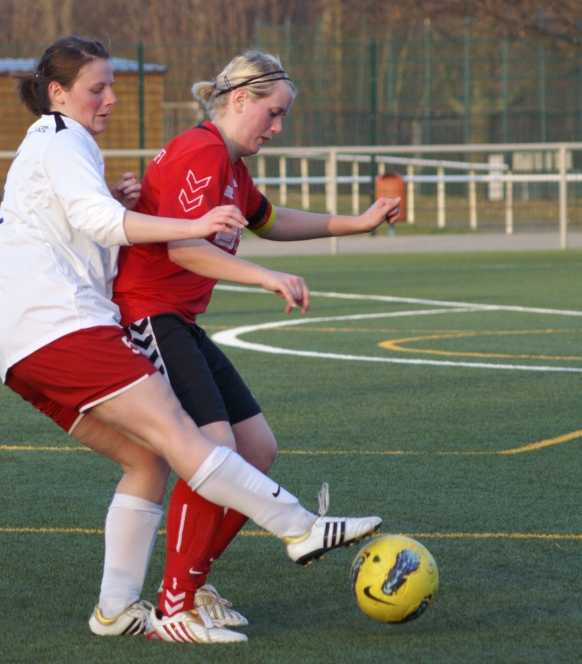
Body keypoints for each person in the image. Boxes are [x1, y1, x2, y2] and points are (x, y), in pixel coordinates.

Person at [0, 36, 382, 645]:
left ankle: (118, 609)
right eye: (98, 87)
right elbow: (139, 235)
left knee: (155, 458)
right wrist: (210, 237)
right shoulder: (69, 139)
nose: (111, 99)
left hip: (34, 337)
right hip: (67, 325)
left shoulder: (67, 143)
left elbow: (86, 226)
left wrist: (354, 223)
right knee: (190, 439)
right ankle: (281, 538)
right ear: (58, 93)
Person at [110, 50, 402, 633]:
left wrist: (356, 223)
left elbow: (273, 221)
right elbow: (185, 248)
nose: (277, 127)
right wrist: (266, 277)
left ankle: (192, 583)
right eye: (273, 113)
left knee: (256, 449)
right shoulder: (201, 150)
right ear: (240, 99)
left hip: (179, 320)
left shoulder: (231, 168)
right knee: (215, 447)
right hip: (149, 315)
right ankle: (175, 603)